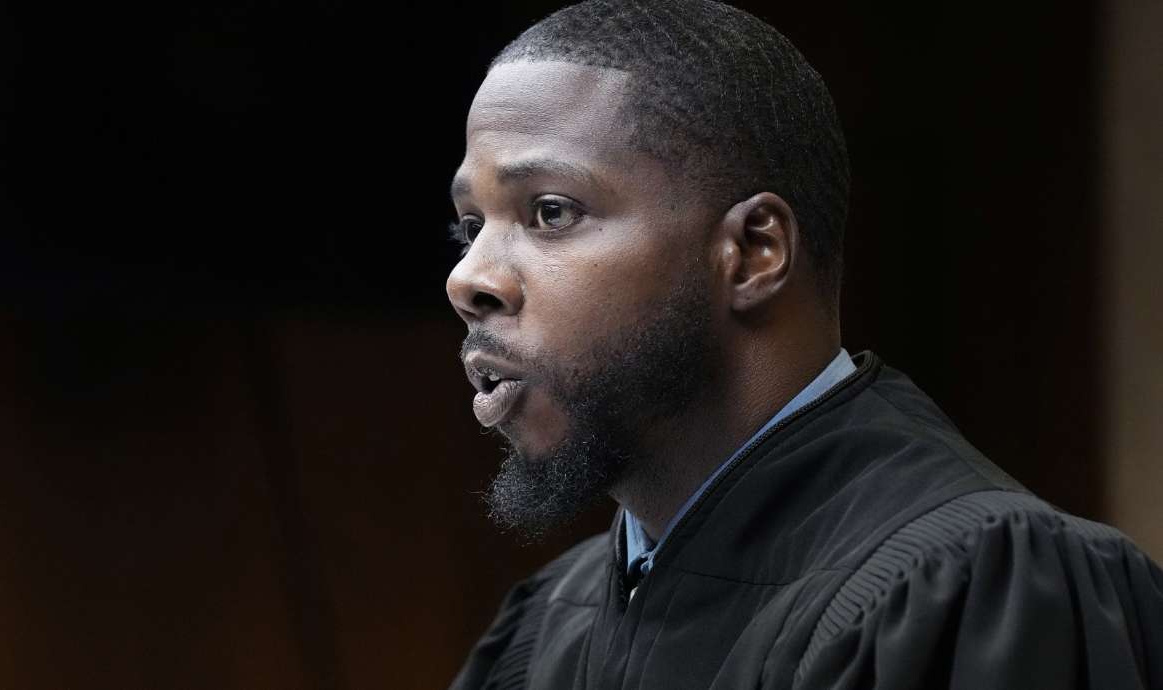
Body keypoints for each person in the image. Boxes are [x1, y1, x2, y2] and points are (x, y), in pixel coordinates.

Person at [443, 1, 1163, 688]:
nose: (467, 278)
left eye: (551, 212)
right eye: (472, 227)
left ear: (754, 253)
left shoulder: (973, 589)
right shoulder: (552, 625)